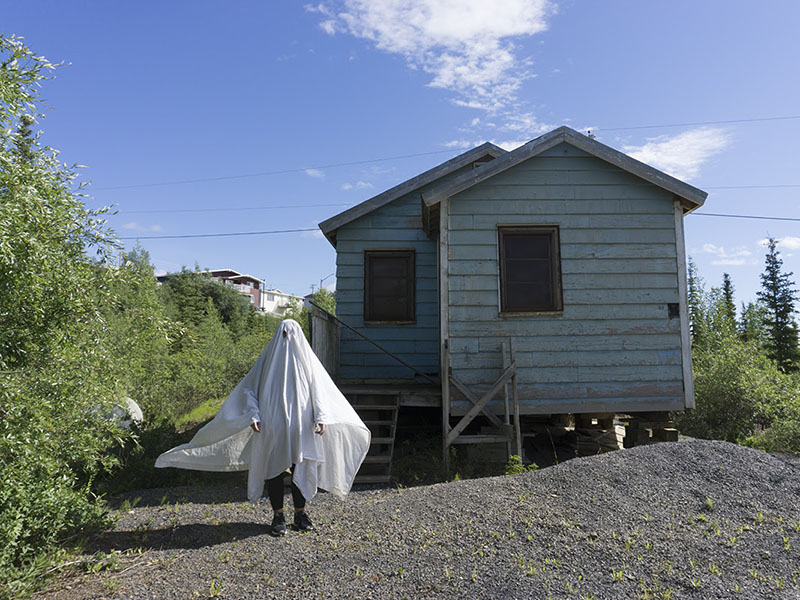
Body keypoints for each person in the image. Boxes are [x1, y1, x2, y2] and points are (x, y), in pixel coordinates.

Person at [155, 319, 371, 536]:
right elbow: (248, 390)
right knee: (273, 469)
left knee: (301, 467)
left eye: (292, 333)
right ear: (278, 336)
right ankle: (278, 515)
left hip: (301, 427)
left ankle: (300, 513)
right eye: (284, 334)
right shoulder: (267, 362)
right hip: (271, 427)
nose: (288, 338)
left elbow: (320, 391)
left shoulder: (308, 363)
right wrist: (253, 414)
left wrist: (321, 416)